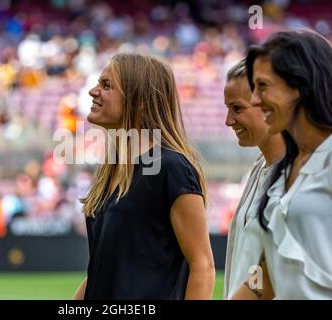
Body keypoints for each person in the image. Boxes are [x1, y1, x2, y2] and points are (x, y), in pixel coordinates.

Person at [73, 53, 215, 300]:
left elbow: (202, 266)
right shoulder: (112, 170)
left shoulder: (171, 167)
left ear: (139, 100)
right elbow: (103, 271)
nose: (93, 92)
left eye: (107, 85)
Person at [232, 29, 332, 299]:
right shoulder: (284, 168)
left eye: (262, 86)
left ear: (299, 85)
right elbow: (267, 274)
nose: (254, 99)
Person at [222, 59, 286, 299]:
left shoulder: (298, 178)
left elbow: (270, 276)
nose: (229, 120)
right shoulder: (259, 167)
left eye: (237, 108)